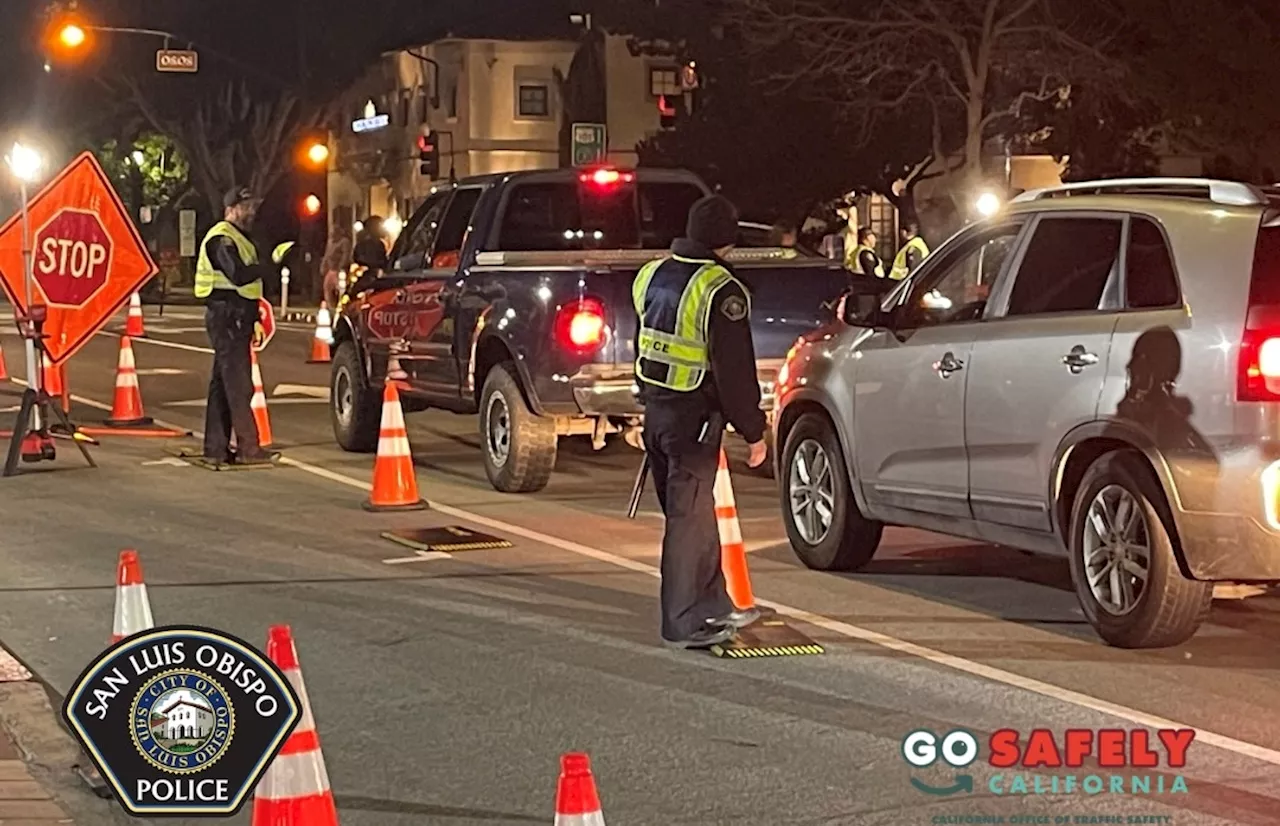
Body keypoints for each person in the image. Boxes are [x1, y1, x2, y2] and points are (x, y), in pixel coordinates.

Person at [634, 194, 769, 649]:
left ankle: (713, 604)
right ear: (726, 242)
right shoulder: (721, 289)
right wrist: (753, 430)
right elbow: (734, 369)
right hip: (693, 418)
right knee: (688, 519)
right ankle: (684, 620)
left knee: (695, 513)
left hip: (656, 411)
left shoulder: (651, 274)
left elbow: (648, 343)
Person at [193, 186, 278, 466]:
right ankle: (248, 447)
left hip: (234, 315)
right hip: (227, 316)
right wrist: (269, 265)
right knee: (239, 384)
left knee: (223, 384)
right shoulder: (222, 239)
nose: (251, 211)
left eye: (254, 205)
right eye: (246, 207)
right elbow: (238, 275)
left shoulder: (241, 238)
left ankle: (216, 447)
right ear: (230, 210)